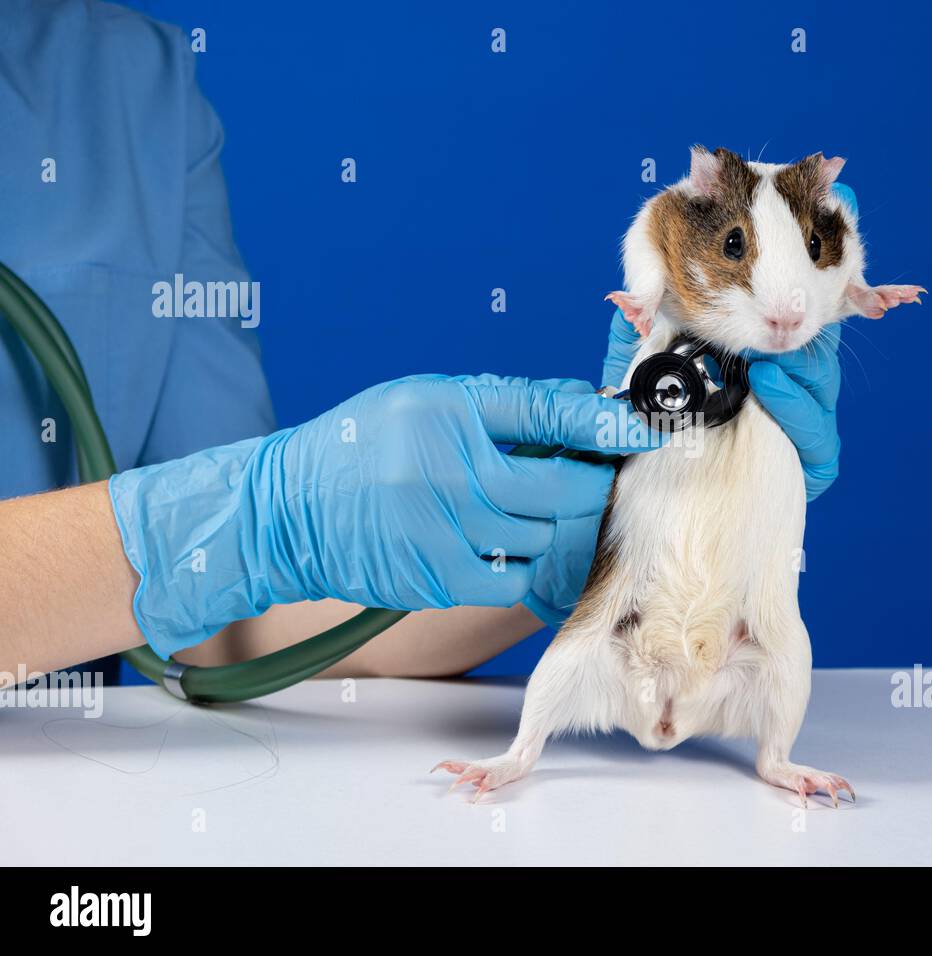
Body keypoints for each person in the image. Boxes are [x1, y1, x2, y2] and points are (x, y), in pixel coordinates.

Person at [0, 0, 842, 686]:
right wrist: (263, 516)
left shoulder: (125, 78)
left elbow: (230, 621)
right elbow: (231, 530)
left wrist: (621, 513)